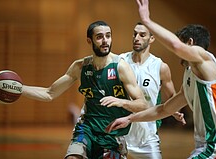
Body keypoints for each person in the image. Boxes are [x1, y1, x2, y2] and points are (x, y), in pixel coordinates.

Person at [105, 0, 216, 158]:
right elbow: (164, 109)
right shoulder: (190, 77)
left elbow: (176, 46)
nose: (176, 53)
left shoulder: (204, 58)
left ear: (190, 43)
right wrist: (129, 118)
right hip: (207, 147)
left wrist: (147, 21)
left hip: (215, 147)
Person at [22, 20, 148, 159]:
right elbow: (49, 93)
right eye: (99, 37)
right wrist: (20, 88)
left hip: (112, 134)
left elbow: (142, 104)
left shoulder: (120, 67)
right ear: (90, 41)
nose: (105, 41)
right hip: (86, 129)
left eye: (108, 36)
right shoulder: (80, 67)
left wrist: (121, 102)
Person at [102, 22, 186, 159]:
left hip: (147, 136)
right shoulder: (119, 61)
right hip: (118, 135)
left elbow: (172, 97)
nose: (136, 38)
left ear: (151, 39)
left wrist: (175, 111)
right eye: (135, 34)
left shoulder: (160, 67)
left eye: (142, 35)